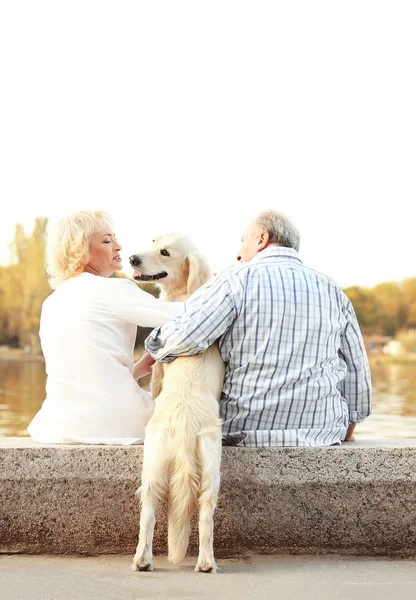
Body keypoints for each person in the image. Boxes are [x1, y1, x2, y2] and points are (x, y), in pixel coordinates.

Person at [142, 209, 372, 447]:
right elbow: (357, 372)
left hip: (244, 431)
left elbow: (186, 337)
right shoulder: (332, 290)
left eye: (244, 243)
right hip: (322, 433)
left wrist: (154, 343)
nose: (239, 255)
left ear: (261, 239)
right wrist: (346, 427)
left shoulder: (235, 280)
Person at [28, 210, 182, 445]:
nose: (118, 246)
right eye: (107, 240)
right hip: (118, 422)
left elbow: (84, 377)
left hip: (59, 424)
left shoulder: (52, 302)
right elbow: (185, 314)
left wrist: (137, 369)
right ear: (81, 250)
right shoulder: (114, 290)